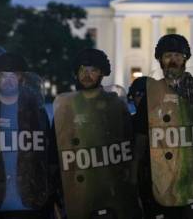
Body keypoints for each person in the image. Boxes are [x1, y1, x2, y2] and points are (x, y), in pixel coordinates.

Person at [134, 34, 193, 219]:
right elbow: (141, 137)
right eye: (168, 55)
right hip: (164, 178)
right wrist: (135, 170)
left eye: (178, 55)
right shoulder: (152, 93)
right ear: (160, 60)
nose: (173, 60)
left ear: (186, 59)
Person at [53, 48, 142, 219]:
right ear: (76, 73)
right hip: (79, 191)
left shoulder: (115, 104)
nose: (87, 75)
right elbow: (55, 152)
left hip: (113, 189)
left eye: (93, 70)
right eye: (82, 70)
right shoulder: (65, 107)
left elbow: (129, 144)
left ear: (102, 74)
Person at [0, 53, 53, 219]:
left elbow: (49, 156)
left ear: (22, 78)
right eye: (3, 75)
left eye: (14, 75)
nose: (8, 80)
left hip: (31, 201)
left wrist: (52, 197)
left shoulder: (36, 112)